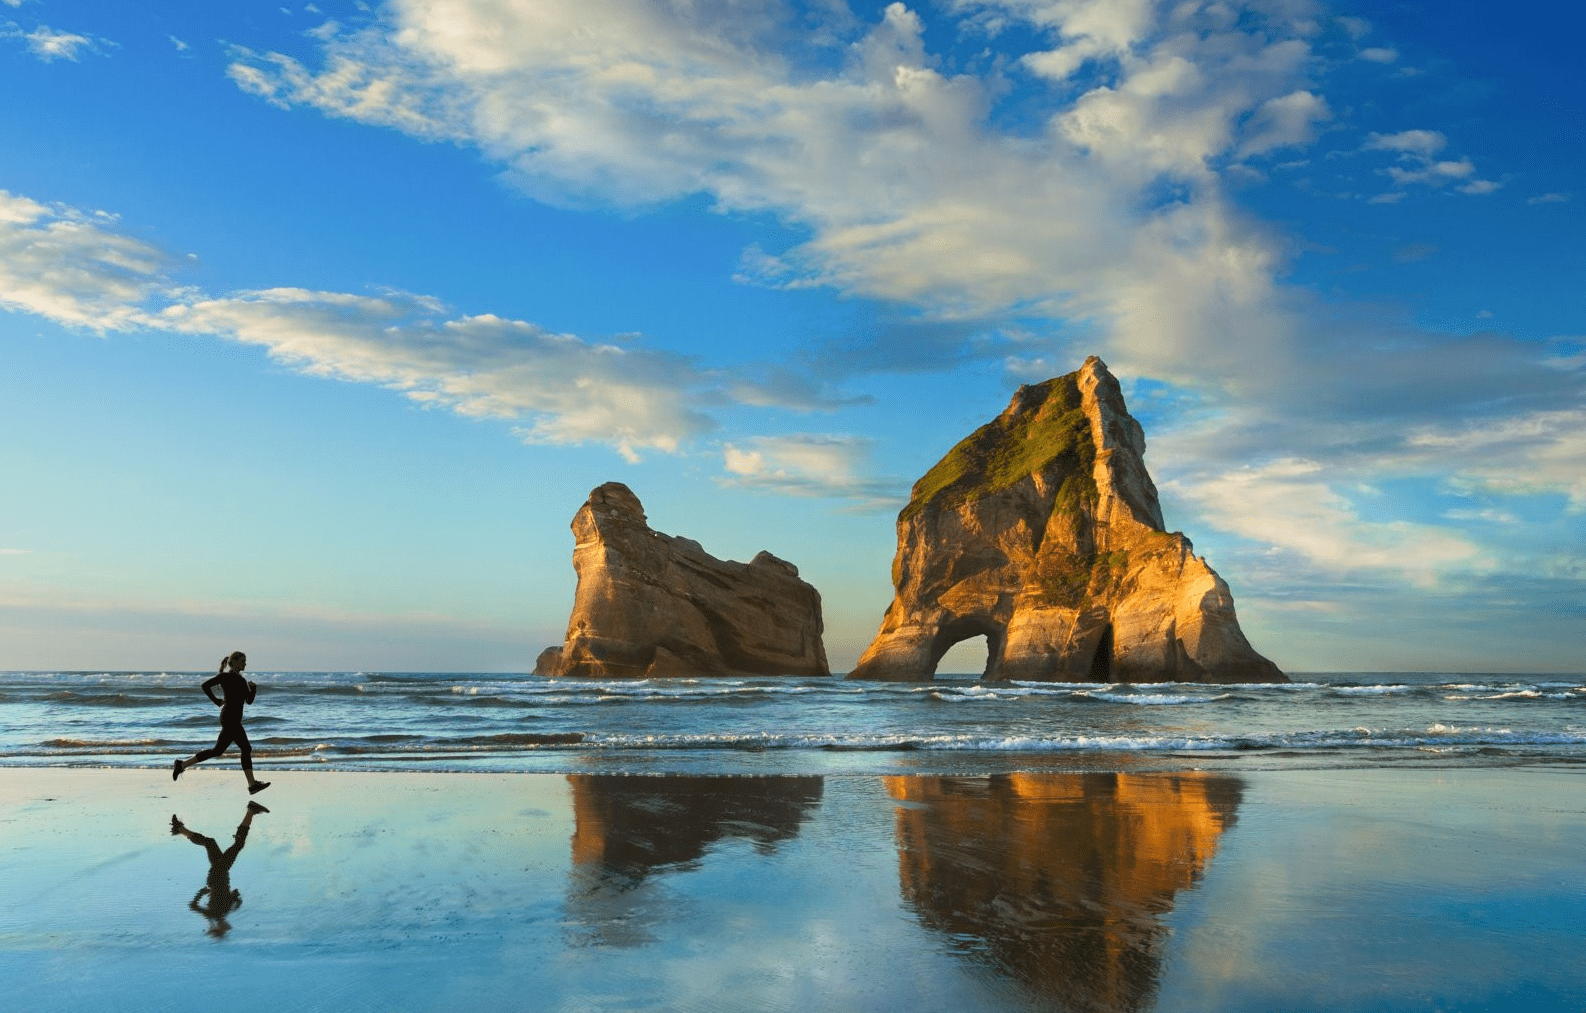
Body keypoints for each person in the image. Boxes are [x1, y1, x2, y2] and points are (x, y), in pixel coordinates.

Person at [173, 650, 270, 794]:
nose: (245, 663)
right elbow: (205, 686)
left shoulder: (242, 681)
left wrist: (253, 689)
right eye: (243, 660)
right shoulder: (225, 677)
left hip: (234, 720)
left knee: (217, 751)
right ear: (235, 661)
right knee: (246, 748)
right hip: (229, 718)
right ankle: (252, 784)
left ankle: (182, 764)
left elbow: (248, 701)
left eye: (245, 660)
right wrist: (216, 701)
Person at [170, 801, 268, 938]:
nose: (227, 928)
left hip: (219, 873)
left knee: (238, 845)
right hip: (218, 875)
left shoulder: (213, 915)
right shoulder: (222, 913)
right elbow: (232, 898)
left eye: (224, 930)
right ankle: (179, 829)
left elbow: (193, 906)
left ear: (218, 927)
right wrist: (235, 897)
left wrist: (202, 892)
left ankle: (251, 811)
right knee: (210, 842)